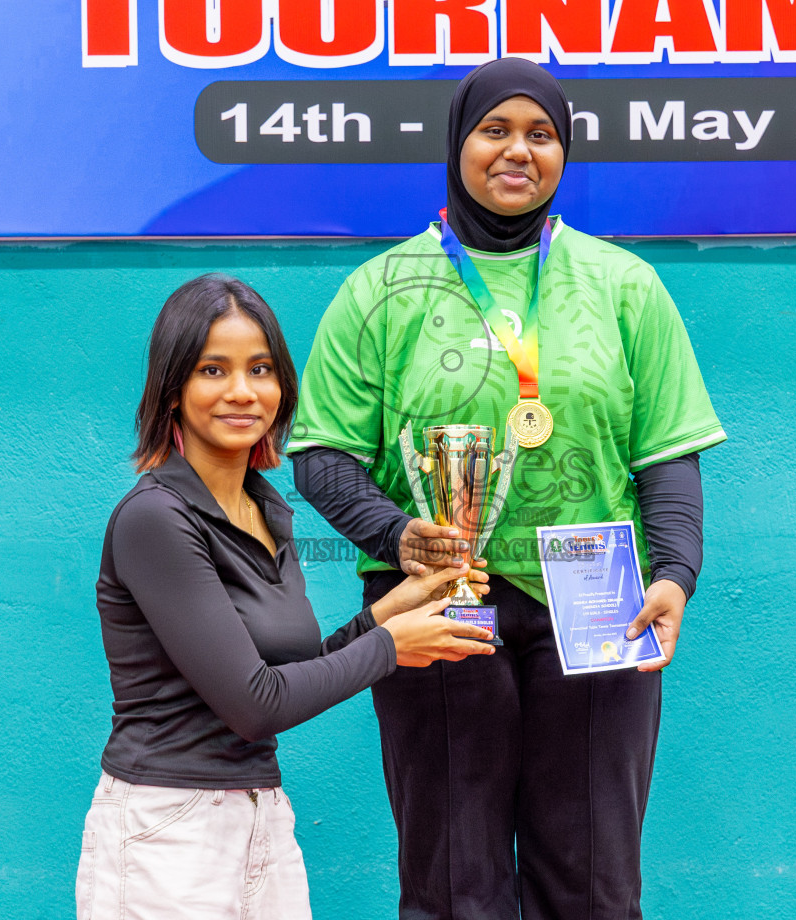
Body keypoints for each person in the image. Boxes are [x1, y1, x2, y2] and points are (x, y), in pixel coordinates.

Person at [288, 57, 726, 920]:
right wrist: (398, 535)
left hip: (599, 601)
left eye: (542, 135)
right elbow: (322, 454)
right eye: (496, 130)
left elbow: (668, 455)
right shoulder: (380, 291)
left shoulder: (625, 287)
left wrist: (674, 574)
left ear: (564, 154)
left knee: (594, 883)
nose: (518, 151)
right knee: (456, 885)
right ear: (458, 145)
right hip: (437, 599)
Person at [75, 274, 496, 920]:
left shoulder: (264, 510)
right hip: (168, 829)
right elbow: (255, 704)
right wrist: (388, 646)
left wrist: (392, 611)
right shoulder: (155, 519)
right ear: (173, 389)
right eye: (213, 369)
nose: (243, 392)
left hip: (261, 816)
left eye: (261, 369)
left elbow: (286, 672)